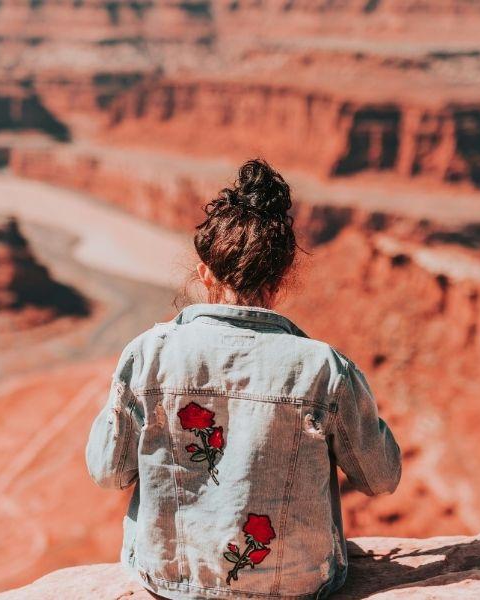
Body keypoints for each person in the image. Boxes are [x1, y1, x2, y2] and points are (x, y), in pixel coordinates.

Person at [86, 158, 401, 600]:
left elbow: (108, 472)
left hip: (169, 581)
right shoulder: (323, 367)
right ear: (283, 275)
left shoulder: (148, 355)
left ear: (204, 274)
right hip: (298, 586)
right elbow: (381, 477)